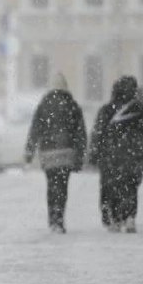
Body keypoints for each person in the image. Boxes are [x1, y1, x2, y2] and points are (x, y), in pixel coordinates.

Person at [88, 76, 143, 233]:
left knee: (111, 186)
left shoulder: (106, 109)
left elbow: (98, 132)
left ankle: (114, 217)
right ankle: (130, 217)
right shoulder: (140, 109)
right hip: (133, 154)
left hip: (111, 154)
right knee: (130, 186)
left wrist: (94, 154)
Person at [24, 73, 87, 234]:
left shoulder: (44, 105)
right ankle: (59, 218)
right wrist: (80, 154)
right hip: (66, 152)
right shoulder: (72, 105)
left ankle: (53, 219)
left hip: (48, 152)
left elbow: (35, 129)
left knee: (52, 186)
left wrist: (29, 151)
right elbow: (80, 133)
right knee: (62, 186)